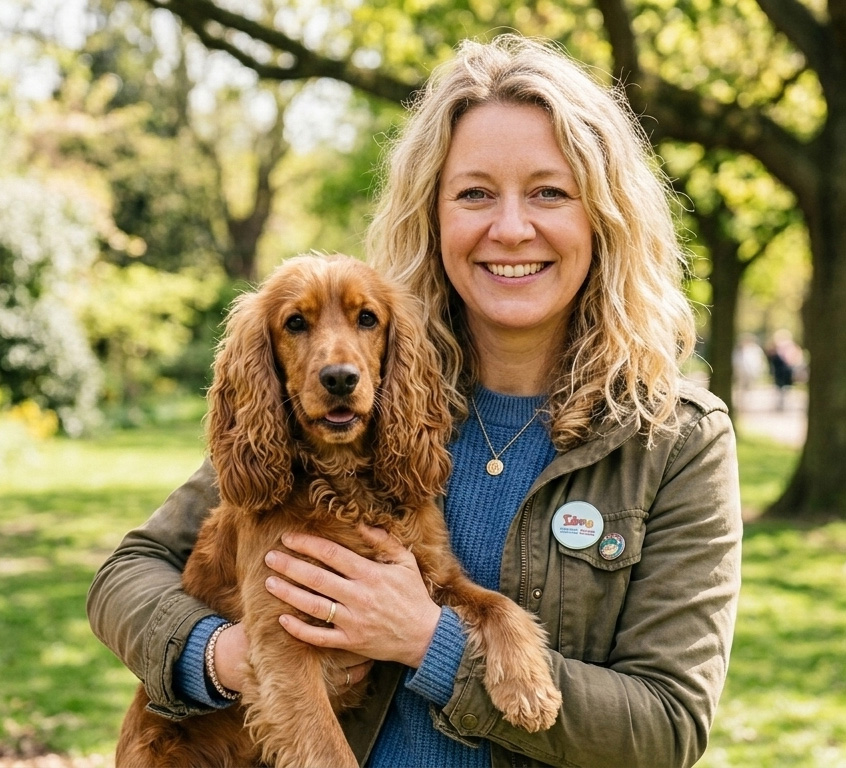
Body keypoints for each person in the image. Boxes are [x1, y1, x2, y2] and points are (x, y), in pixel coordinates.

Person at [88, 34, 742, 768]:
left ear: (604, 215)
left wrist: (427, 641)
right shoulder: (359, 398)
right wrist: (224, 656)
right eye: (475, 193)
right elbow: (124, 577)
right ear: (434, 215)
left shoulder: (672, 437)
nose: (511, 227)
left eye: (549, 191)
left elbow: (666, 728)